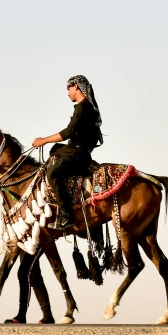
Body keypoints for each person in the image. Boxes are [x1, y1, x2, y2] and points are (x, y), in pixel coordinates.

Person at [32, 75, 103, 231]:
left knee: (52, 173)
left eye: (68, 89)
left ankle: (67, 216)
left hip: (78, 154)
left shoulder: (84, 107)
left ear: (76, 86)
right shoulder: (83, 107)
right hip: (75, 151)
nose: (68, 93)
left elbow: (69, 132)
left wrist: (44, 140)